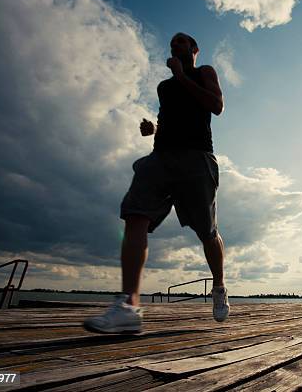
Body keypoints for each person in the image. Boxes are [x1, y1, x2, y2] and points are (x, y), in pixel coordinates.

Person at [83, 32, 229, 333]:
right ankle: (128, 306)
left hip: (197, 158)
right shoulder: (164, 87)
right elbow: (172, 118)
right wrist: (154, 127)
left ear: (195, 49)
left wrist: (181, 75)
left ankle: (219, 286)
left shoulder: (204, 72)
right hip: (160, 157)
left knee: (207, 231)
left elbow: (216, 105)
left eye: (182, 42)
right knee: (135, 215)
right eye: (172, 43)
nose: (175, 46)